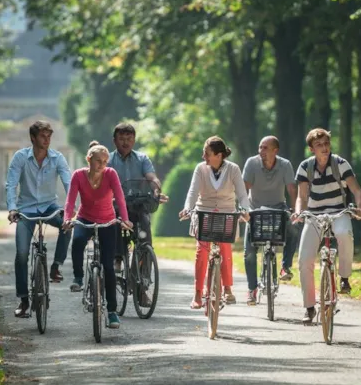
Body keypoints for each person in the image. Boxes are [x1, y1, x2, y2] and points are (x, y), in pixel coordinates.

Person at [291, 128, 361, 325]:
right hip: (314, 215)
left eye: (326, 144)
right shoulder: (305, 167)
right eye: (319, 145)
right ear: (311, 149)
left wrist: (360, 208)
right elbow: (301, 196)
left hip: (338, 212)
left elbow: (356, 190)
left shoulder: (340, 164)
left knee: (344, 233)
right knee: (304, 259)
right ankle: (309, 307)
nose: (324, 148)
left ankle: (344, 277)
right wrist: (299, 212)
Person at [6, 120, 73, 319]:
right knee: (22, 253)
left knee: (67, 226)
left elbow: (69, 183)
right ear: (33, 138)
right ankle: (24, 300)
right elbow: (10, 185)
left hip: (49, 206)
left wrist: (70, 209)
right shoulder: (20, 158)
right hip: (26, 209)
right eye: (43, 136)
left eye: (49, 136)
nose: (47, 140)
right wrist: (12, 209)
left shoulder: (57, 158)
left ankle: (55, 267)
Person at [62, 142, 133, 329]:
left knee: (108, 267)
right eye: (97, 161)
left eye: (104, 161)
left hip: (108, 221)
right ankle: (78, 278)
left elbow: (120, 198)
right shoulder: (78, 175)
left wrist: (124, 219)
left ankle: (111, 312)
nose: (101, 165)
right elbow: (70, 200)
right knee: (77, 242)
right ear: (89, 160)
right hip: (85, 218)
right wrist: (68, 218)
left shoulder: (111, 174)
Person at [179, 136, 251, 309]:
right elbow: (193, 192)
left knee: (225, 248)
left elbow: (242, 194)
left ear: (219, 155)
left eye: (207, 153)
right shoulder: (200, 169)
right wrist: (187, 208)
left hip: (226, 213)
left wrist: (245, 209)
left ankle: (227, 288)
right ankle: (197, 294)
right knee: (202, 251)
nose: (204, 156)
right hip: (204, 212)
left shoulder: (233, 169)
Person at [107, 122, 167, 305]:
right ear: (114, 140)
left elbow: (151, 176)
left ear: (134, 140)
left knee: (145, 242)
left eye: (129, 139)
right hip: (117, 208)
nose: (125, 142)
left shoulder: (142, 159)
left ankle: (142, 287)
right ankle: (117, 258)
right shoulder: (108, 160)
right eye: (122, 139)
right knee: (117, 225)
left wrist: (156, 187)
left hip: (138, 207)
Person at [241, 135, 297, 305]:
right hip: (255, 210)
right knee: (249, 252)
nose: (261, 151)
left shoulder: (285, 165)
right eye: (260, 147)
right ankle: (252, 289)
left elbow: (292, 189)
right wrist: (244, 210)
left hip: (279, 208)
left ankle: (285, 267)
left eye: (265, 148)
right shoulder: (252, 163)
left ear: (275, 150)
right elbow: (244, 188)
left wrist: (294, 211)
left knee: (294, 229)